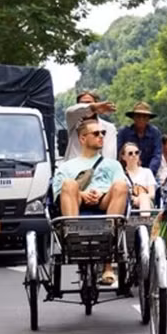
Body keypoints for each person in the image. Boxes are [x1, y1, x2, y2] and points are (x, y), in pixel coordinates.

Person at [52, 119, 129, 285]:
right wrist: (81, 193)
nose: (101, 136)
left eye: (103, 133)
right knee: (69, 184)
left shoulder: (113, 164)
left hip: (105, 199)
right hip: (76, 199)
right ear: (82, 138)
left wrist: (101, 193)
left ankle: (108, 261)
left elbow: (121, 188)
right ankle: (73, 238)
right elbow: (57, 194)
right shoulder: (66, 166)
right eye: (96, 133)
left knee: (121, 185)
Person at [64, 91, 117, 160]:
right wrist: (92, 107)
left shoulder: (108, 128)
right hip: (73, 165)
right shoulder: (73, 123)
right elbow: (70, 111)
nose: (85, 106)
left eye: (89, 103)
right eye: (81, 104)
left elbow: (109, 155)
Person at [116, 102, 162, 176]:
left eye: (144, 117)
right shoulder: (123, 132)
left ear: (148, 119)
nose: (141, 119)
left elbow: (157, 155)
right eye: (138, 116)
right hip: (127, 172)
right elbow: (119, 154)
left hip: (149, 172)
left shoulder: (155, 133)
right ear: (133, 118)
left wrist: (148, 173)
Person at [119, 142, 155, 213]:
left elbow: (152, 194)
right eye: (130, 153)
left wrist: (140, 198)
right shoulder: (121, 174)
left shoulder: (147, 172)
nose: (134, 155)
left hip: (147, 202)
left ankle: (145, 219)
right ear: (123, 157)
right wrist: (133, 199)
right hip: (127, 203)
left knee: (143, 197)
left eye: (137, 152)